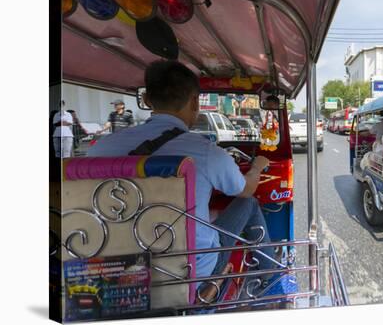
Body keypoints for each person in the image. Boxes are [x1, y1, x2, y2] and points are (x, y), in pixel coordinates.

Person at [87, 60, 275, 301]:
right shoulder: (206, 152)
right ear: (195, 102)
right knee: (249, 204)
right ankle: (271, 273)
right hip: (193, 274)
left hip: (119, 272)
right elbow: (246, 189)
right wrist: (257, 166)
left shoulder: (100, 149)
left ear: (147, 100)